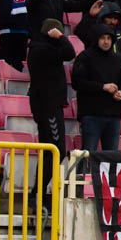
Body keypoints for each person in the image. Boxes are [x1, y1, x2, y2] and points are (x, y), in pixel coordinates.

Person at [26, 19, 75, 191]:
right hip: (48, 105)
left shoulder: (42, 49)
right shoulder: (42, 49)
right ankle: (37, 191)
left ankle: (37, 192)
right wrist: (62, 36)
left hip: (50, 105)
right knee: (56, 150)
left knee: (50, 151)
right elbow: (70, 52)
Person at [71, 24, 121, 155]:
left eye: (109, 38)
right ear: (96, 39)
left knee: (110, 158)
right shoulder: (85, 57)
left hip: (113, 115)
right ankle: (82, 176)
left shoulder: (118, 59)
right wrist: (103, 87)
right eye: (103, 38)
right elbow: (77, 82)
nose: (106, 41)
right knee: (88, 155)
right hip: (91, 114)